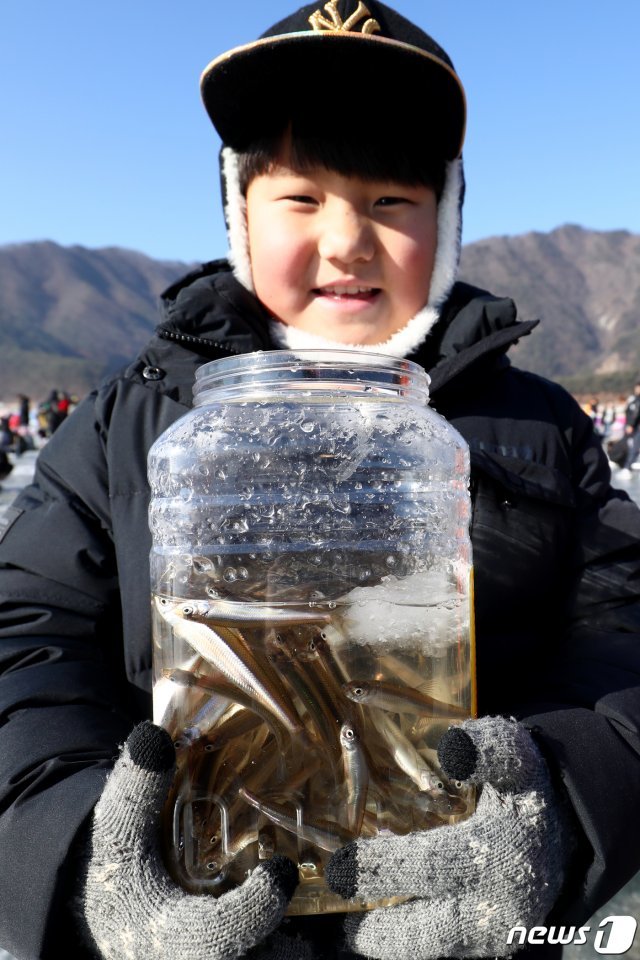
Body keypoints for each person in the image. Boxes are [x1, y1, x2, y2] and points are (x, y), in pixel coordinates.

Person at [1, 3, 640, 959]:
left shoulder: (544, 427)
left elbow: (624, 644)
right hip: (207, 908)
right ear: (239, 217)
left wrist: (561, 800)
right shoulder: (125, 425)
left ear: (448, 217)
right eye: (301, 199)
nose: (347, 241)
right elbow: (27, 642)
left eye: (391, 202)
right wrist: (82, 847)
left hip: (473, 925)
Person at [618, 380, 640, 477]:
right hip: (633, 427)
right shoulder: (634, 399)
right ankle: (627, 466)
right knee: (632, 446)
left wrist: (630, 424)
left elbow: (636, 414)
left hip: (636, 427)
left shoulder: (637, 400)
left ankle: (627, 467)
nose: (637, 389)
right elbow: (629, 413)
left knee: (634, 447)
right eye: (637, 387)